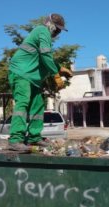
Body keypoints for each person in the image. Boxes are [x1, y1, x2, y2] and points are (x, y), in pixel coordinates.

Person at [8, 13, 72, 152]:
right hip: (21, 73)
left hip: (32, 77)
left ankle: (34, 137)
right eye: (57, 29)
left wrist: (59, 68)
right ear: (50, 25)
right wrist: (56, 75)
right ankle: (15, 140)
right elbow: (45, 55)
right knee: (23, 103)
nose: (58, 32)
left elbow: (44, 56)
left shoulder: (44, 35)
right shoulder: (42, 31)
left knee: (37, 106)